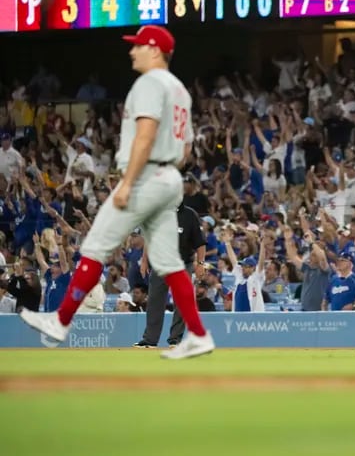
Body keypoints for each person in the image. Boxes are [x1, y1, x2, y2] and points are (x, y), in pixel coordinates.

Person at [19, 26, 215, 359]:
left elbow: (144, 135)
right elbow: (184, 152)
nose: (131, 51)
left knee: (95, 247)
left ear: (154, 50)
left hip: (145, 177)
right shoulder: (180, 90)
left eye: (138, 46)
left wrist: (128, 183)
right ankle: (197, 334)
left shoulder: (150, 83)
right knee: (168, 262)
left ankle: (59, 321)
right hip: (168, 179)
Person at [134, 203, 206, 348]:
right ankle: (150, 340)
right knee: (154, 302)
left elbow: (200, 243)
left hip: (182, 264)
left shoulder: (190, 215)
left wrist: (200, 263)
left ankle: (175, 340)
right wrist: (144, 261)